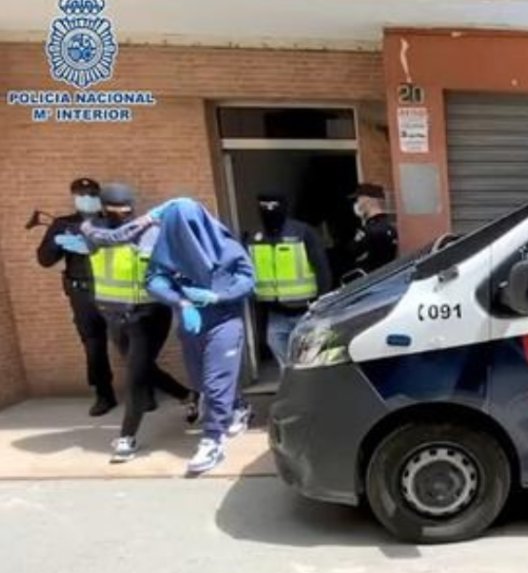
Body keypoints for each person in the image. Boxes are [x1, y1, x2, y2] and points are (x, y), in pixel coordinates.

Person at [63, 183, 195, 462]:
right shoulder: (91, 229)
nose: (122, 215)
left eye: (127, 211)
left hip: (148, 315)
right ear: (103, 209)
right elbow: (113, 238)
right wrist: (147, 219)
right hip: (112, 314)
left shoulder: (151, 231)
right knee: (143, 368)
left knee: (135, 376)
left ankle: (126, 438)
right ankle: (188, 396)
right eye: (115, 210)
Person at [146, 198, 255, 475]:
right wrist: (180, 302)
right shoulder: (167, 249)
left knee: (216, 380)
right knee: (200, 379)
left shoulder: (226, 246)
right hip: (191, 324)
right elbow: (154, 280)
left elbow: (248, 279)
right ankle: (239, 406)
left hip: (224, 321)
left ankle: (212, 441)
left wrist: (219, 296)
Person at [36, 177, 116, 416]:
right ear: (74, 197)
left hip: (113, 290)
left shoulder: (112, 222)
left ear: (99, 196)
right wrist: (57, 242)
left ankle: (144, 392)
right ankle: (104, 394)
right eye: (82, 194)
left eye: (91, 194)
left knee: (131, 342)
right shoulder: (63, 224)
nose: (86, 198)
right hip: (82, 293)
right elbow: (44, 259)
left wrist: (96, 244)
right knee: (93, 345)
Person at [245, 193, 333, 371]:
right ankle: (294, 394)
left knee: (310, 361)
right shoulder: (255, 237)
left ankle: (312, 395)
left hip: (305, 311)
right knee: (285, 364)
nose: (269, 213)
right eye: (264, 207)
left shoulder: (302, 233)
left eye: (273, 207)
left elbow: (322, 269)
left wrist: (321, 302)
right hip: (275, 313)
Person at [347, 183, 398, 274]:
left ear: (368, 201)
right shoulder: (389, 227)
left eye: (358, 200)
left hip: (368, 281)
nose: (357, 204)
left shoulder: (368, 231)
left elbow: (350, 255)